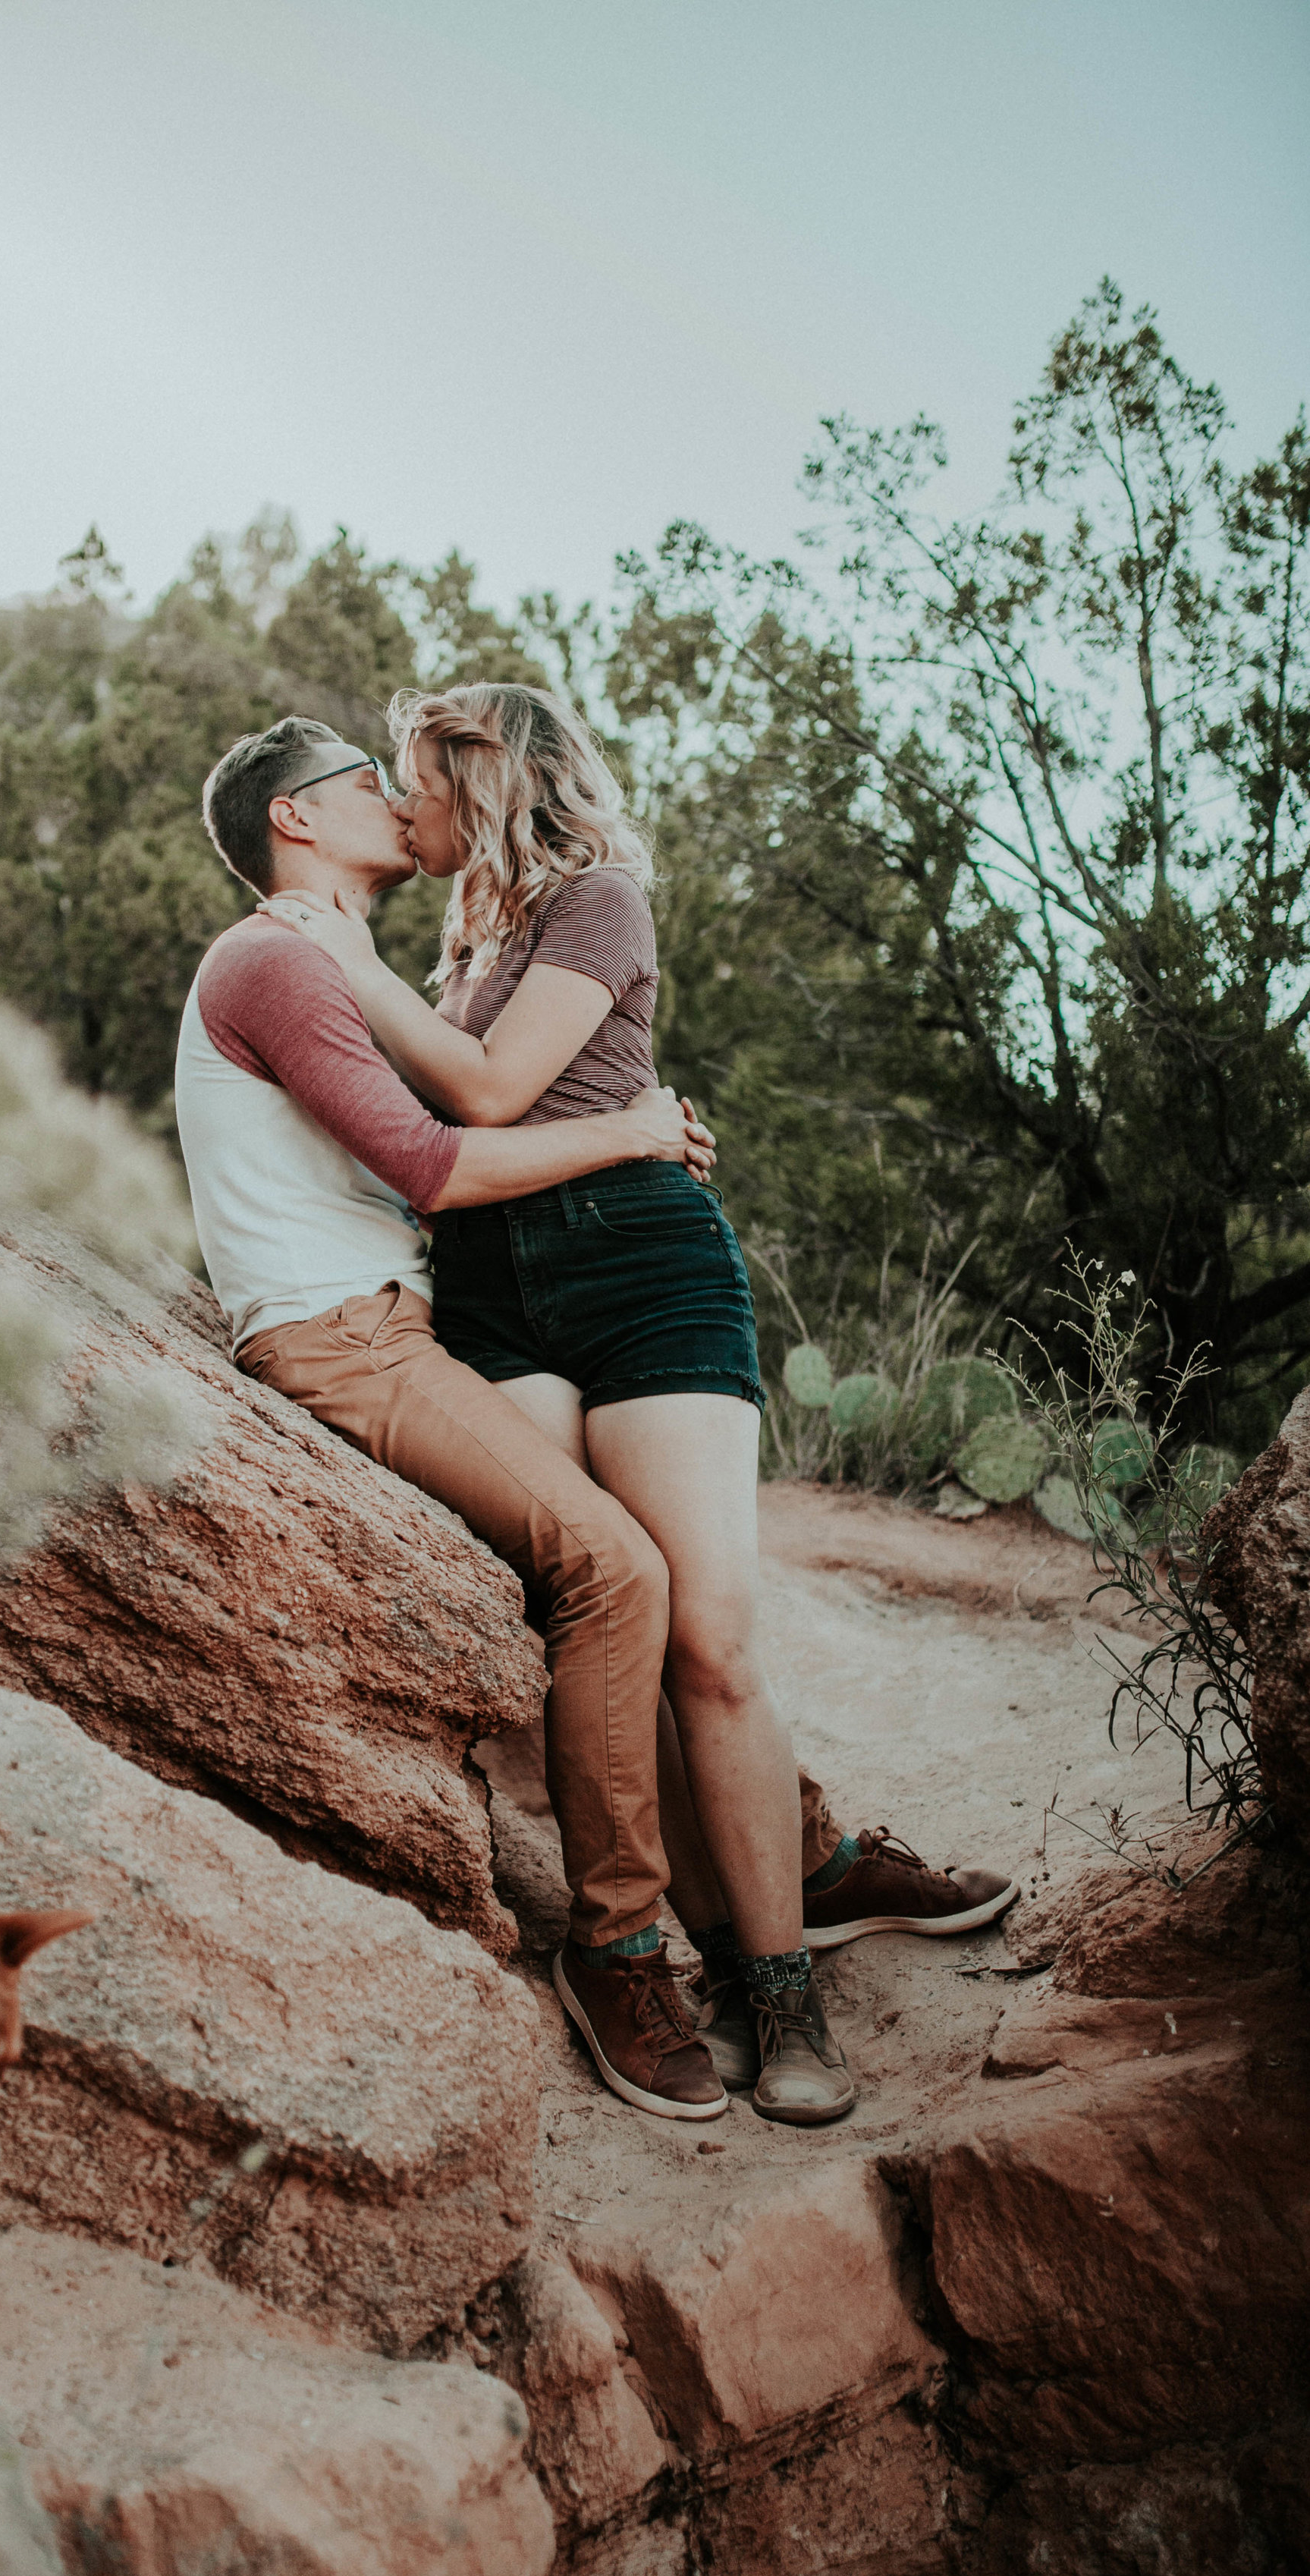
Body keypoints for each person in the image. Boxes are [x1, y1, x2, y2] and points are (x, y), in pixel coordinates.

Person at [178, 715, 1007, 2131]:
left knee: (675, 1612)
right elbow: (438, 1161)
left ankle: (792, 1869)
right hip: (353, 1330)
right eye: (362, 781)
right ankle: (618, 1946)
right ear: (295, 821)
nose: (393, 797)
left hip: (424, 1312)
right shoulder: (276, 956)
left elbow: (457, 1104)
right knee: (617, 1573)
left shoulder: (372, 953)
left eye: (411, 778)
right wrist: (633, 1128)